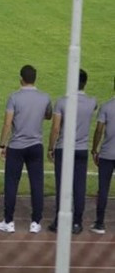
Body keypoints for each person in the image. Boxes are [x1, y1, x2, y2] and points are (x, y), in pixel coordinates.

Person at [0, 65, 53, 233]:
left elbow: (8, 123)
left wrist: (1, 144)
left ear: (21, 78)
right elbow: (49, 115)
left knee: (11, 184)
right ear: (35, 78)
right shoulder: (44, 97)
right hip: (36, 146)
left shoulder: (14, 97)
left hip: (16, 146)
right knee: (37, 184)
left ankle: (9, 221)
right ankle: (35, 222)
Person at [48, 69, 97, 234]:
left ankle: (59, 221)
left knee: (62, 185)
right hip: (82, 149)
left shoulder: (62, 102)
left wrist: (50, 148)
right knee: (79, 186)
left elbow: (55, 128)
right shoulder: (92, 102)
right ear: (85, 82)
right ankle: (77, 222)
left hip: (64, 148)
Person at [91, 75, 115, 233]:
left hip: (107, 154)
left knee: (103, 189)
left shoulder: (106, 107)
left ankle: (100, 224)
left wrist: (94, 149)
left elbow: (99, 130)